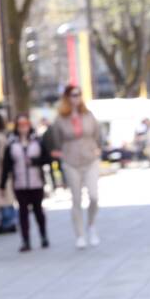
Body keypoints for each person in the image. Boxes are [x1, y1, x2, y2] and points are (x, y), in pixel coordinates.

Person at [49, 85, 102, 248]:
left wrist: (97, 149)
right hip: (71, 161)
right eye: (73, 95)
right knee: (76, 198)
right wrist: (60, 154)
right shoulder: (60, 119)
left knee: (93, 196)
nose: (76, 98)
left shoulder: (88, 115)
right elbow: (55, 140)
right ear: (67, 97)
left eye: (78, 95)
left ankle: (91, 226)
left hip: (90, 159)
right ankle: (79, 234)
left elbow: (97, 134)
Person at [1, 113, 50, 252]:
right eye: (20, 125)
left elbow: (47, 158)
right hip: (20, 184)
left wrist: (34, 162)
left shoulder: (37, 141)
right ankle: (26, 241)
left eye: (26, 124)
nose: (23, 127)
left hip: (36, 183)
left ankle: (43, 236)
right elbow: (6, 165)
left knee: (38, 211)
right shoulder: (11, 143)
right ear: (17, 127)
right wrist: (2, 185)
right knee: (22, 213)